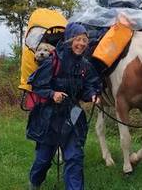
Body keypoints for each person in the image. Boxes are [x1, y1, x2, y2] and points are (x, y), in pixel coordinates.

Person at [27, 22, 102, 189]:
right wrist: (52, 94)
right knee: (44, 159)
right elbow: (37, 85)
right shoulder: (53, 60)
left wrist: (92, 95)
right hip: (49, 116)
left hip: (73, 115)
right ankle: (34, 182)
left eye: (84, 40)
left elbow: (90, 85)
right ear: (69, 39)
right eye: (78, 39)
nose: (82, 44)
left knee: (75, 157)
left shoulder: (85, 64)